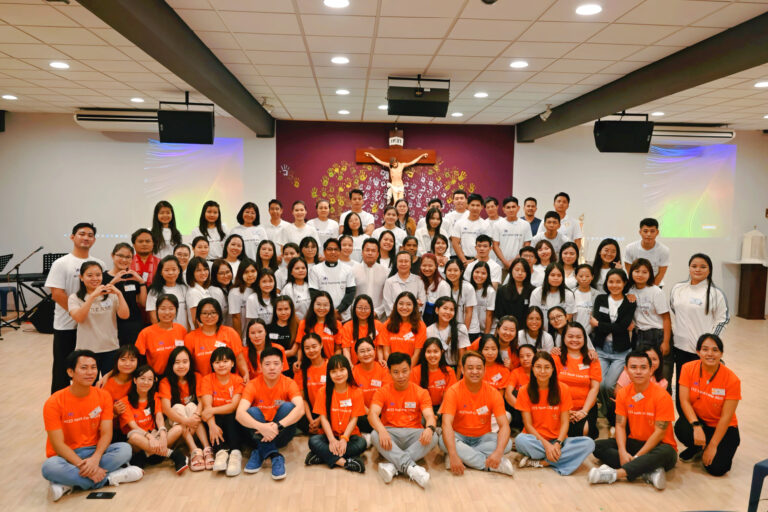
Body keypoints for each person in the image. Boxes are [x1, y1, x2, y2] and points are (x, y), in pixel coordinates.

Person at [42, 350, 143, 501]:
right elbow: (58, 444)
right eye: (84, 368)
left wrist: (95, 459)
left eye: (93, 367)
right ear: (70, 372)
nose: (90, 372)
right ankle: (108, 479)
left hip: (95, 451)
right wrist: (82, 465)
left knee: (125, 449)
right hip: (65, 456)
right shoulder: (54, 402)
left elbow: (106, 433)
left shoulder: (103, 395)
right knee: (49, 467)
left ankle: (69, 484)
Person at [590, 350, 677, 490]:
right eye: (633, 367)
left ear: (651, 370)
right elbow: (620, 425)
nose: (638, 372)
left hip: (660, 446)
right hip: (635, 442)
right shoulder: (623, 393)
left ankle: (615, 474)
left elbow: (659, 433)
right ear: (626, 370)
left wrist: (636, 457)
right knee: (597, 446)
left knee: (667, 451)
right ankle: (648, 472)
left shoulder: (662, 396)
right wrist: (623, 452)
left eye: (643, 367)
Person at [46, 222, 104, 393]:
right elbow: (57, 294)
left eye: (90, 235)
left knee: (90, 371)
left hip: (91, 328)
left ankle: (88, 405)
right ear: (72, 237)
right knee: (62, 371)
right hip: (66, 326)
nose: (86, 237)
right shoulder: (61, 263)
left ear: (94, 240)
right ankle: (59, 406)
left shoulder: (99, 263)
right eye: (82, 234)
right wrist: (77, 314)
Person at [514, 351, 595, 475]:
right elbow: (528, 425)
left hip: (558, 441)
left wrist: (558, 443)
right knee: (520, 440)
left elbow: (565, 422)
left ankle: (542, 462)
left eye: (547, 367)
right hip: (536, 440)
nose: (542, 371)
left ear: (553, 369)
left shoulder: (563, 389)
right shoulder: (524, 390)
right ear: (533, 369)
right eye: (538, 367)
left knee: (589, 443)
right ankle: (560, 458)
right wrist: (546, 446)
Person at [440, 350, 515, 476]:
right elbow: (446, 424)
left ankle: (463, 455)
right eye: (470, 368)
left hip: (483, 438)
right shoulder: (453, 391)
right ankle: (491, 466)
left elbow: (504, 426)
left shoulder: (493, 393)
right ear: (462, 370)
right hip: (458, 436)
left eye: (479, 368)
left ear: (484, 370)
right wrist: (453, 454)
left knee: (507, 444)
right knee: (442, 440)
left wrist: (498, 452)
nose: (475, 371)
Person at [369, 352, 438, 488]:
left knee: (434, 436)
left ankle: (393, 466)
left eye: (404, 371)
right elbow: (372, 414)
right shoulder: (382, 391)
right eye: (396, 372)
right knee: (374, 435)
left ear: (410, 370)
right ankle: (411, 467)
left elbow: (430, 416)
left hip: (413, 434)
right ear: (389, 372)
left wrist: (429, 429)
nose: (401, 376)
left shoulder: (421, 392)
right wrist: (381, 430)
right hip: (390, 434)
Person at [676, 334, 740, 476]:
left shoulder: (732, 380)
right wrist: (696, 426)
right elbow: (684, 401)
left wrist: (713, 445)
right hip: (700, 421)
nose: (710, 354)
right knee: (682, 428)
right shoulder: (688, 368)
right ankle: (697, 447)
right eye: (705, 349)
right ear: (698, 352)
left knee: (717, 469)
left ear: (721, 353)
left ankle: (706, 445)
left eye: (715, 350)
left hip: (722, 427)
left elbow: (726, 417)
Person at [236, 347, 304, 479]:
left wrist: (277, 426)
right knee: (252, 411)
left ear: (282, 366)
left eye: (276, 364)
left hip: (280, 433)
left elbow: (300, 409)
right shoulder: (253, 384)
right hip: (257, 434)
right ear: (261, 367)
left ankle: (260, 452)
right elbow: (239, 414)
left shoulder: (289, 383)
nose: (272, 368)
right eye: (267, 364)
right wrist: (262, 427)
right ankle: (274, 455)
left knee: (289, 406)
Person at [669, 253, 729, 399]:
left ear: (709, 270)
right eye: (694, 266)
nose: (698, 269)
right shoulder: (678, 288)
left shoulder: (716, 293)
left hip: (701, 351)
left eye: (703, 267)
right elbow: (673, 311)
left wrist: (709, 344)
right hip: (679, 347)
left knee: (699, 391)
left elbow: (722, 320)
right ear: (689, 268)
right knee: (682, 387)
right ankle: (682, 414)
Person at [119, 364, 188, 473]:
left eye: (150, 379)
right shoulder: (124, 401)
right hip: (139, 440)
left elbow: (159, 417)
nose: (146, 382)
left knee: (179, 428)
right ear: (135, 380)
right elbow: (133, 426)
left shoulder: (155, 396)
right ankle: (173, 454)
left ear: (154, 381)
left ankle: (146, 455)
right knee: (134, 437)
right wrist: (149, 437)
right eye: (142, 378)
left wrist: (163, 433)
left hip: (154, 436)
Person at [305, 354, 367, 473]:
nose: (338, 374)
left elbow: (354, 419)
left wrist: (344, 439)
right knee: (313, 441)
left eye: (342, 370)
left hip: (349, 436)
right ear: (329, 374)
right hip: (329, 435)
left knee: (362, 443)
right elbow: (323, 418)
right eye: (334, 371)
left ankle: (322, 456)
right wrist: (332, 440)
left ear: (348, 370)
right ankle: (345, 463)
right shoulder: (323, 391)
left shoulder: (356, 392)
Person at [68, 262, 130, 376]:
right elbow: (79, 318)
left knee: (110, 383)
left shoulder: (111, 295)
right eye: (89, 275)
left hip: (111, 347)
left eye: (98, 275)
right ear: (81, 277)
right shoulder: (74, 298)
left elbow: (125, 315)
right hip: (86, 350)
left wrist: (119, 294)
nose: (95, 278)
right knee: (88, 382)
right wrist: (92, 296)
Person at [591, 269, 636, 417]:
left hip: (621, 351)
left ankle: (612, 410)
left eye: (618, 282)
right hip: (601, 349)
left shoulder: (630, 302)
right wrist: (614, 326)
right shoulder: (600, 299)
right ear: (606, 283)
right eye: (611, 281)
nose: (614, 285)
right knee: (599, 383)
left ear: (624, 283)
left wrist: (600, 324)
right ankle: (606, 409)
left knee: (609, 385)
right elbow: (618, 326)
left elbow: (622, 327)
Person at [158, 347, 210, 471]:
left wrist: (195, 416)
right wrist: (186, 421)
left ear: (190, 363)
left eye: (185, 362)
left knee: (192, 406)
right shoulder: (165, 382)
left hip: (195, 425)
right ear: (171, 364)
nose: (181, 366)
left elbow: (202, 401)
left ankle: (207, 448)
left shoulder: (196, 376)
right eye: (177, 362)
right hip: (176, 427)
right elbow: (166, 409)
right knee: (177, 407)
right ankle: (194, 450)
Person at [200, 347, 245, 476]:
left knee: (232, 416)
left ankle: (235, 453)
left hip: (232, 419)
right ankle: (220, 453)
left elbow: (233, 406)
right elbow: (207, 405)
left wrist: (211, 411)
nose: (221, 365)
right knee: (216, 420)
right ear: (212, 365)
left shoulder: (238, 380)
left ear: (232, 363)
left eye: (225, 361)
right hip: (215, 420)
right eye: (217, 362)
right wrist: (211, 425)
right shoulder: (207, 379)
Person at [627, 258, 672, 385]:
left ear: (650, 274)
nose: (640, 275)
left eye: (644, 272)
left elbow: (666, 318)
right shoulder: (629, 290)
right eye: (637, 271)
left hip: (657, 334)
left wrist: (666, 342)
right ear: (631, 272)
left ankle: (665, 395)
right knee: (642, 371)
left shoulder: (656, 291)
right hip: (639, 334)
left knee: (662, 372)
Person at [553, 322, 601, 439]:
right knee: (556, 432)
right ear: (563, 338)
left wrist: (584, 411)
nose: (574, 340)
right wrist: (565, 410)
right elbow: (551, 386)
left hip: (585, 407)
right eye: (570, 336)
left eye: (579, 337)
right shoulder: (556, 357)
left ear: (584, 339)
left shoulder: (592, 358)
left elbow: (594, 388)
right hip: (560, 407)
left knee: (584, 432)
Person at [184, 298, 248, 377]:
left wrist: (246, 375)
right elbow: (188, 364)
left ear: (219, 313)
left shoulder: (230, 333)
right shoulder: (190, 338)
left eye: (213, 312)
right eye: (205, 313)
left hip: (230, 381)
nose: (209, 316)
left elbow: (240, 359)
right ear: (198, 315)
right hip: (203, 382)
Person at [103, 243, 146, 346]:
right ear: (112, 255)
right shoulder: (103, 277)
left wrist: (141, 282)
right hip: (110, 324)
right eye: (120, 256)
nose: (124, 260)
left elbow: (143, 303)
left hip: (133, 324)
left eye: (128, 257)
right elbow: (101, 298)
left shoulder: (134, 277)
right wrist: (114, 281)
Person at [135, 294, 188, 375]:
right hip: (156, 376)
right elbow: (139, 359)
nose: (167, 312)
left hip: (178, 375)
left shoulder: (181, 329)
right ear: (157, 310)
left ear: (176, 310)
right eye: (163, 309)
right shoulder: (146, 333)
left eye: (171, 309)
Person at [352, 337, 393, 435]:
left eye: (369, 350)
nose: (366, 354)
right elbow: (356, 400)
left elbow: (386, 395)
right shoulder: (353, 372)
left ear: (374, 351)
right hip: (364, 414)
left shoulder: (383, 369)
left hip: (381, 412)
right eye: (362, 351)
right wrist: (371, 414)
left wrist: (375, 413)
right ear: (357, 354)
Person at [309, 238, 356, 320]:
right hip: (323, 315)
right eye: (329, 249)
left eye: (336, 249)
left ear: (340, 251)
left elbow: (350, 293)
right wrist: (328, 311)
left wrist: (338, 310)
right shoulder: (315, 269)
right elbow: (314, 293)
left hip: (343, 316)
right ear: (324, 252)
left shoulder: (348, 269)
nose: (333, 252)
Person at [410, 338, 457, 414]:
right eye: (428, 352)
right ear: (424, 353)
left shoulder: (449, 372)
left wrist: (438, 414)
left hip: (443, 408)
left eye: (436, 351)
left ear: (441, 352)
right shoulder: (415, 371)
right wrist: (429, 415)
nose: (432, 355)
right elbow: (414, 397)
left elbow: (448, 398)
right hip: (422, 409)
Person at [380, 292, 427, 365]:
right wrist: (393, 368)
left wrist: (406, 369)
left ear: (414, 306)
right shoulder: (387, 324)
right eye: (401, 304)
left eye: (408, 304)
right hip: (392, 367)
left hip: (411, 367)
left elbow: (417, 354)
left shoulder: (421, 326)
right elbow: (386, 352)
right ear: (396, 305)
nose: (404, 307)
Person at [295, 333, 328, 434]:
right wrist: (311, 421)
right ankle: (314, 429)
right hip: (311, 412)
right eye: (307, 348)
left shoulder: (330, 365)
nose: (311, 350)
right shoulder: (301, 370)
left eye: (314, 346)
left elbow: (336, 397)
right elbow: (303, 399)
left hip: (329, 411)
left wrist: (320, 419)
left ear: (321, 345)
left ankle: (320, 431)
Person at [295, 291, 343, 359]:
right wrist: (299, 360)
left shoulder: (337, 324)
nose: (322, 308)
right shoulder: (304, 324)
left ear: (330, 306)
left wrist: (332, 363)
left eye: (325, 305)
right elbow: (300, 348)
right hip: (309, 362)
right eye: (318, 304)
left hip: (329, 363)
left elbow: (338, 349)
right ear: (313, 305)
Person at [426, 297, 470, 369]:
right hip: (436, 369)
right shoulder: (429, 330)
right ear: (437, 310)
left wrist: (457, 376)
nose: (448, 312)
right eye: (445, 308)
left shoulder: (460, 328)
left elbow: (461, 360)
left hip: (454, 368)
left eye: (451, 310)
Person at [624, 218, 670, 287]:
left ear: (657, 232)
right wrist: (638, 287)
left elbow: (661, 273)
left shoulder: (664, 250)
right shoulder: (630, 248)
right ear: (640, 232)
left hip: (655, 286)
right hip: (635, 286)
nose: (649, 234)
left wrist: (650, 288)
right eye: (645, 231)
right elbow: (629, 271)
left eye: (652, 231)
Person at [146, 256, 188, 329]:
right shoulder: (154, 291)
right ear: (161, 272)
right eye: (166, 270)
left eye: (174, 269)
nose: (170, 273)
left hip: (183, 331)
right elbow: (153, 318)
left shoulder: (184, 288)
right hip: (164, 332)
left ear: (179, 271)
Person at [492, 196, 532, 273]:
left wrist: (515, 261)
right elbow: (495, 245)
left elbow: (527, 245)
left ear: (518, 208)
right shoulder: (497, 225)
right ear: (503, 209)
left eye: (513, 207)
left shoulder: (525, 224)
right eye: (508, 207)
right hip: (501, 266)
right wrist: (505, 262)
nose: (511, 210)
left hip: (519, 265)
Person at [530, 263, 575, 330]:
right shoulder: (537, 293)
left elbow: (568, 316)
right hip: (541, 330)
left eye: (559, 275)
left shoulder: (568, 294)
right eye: (552, 275)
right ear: (547, 276)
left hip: (561, 330)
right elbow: (534, 314)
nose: (556, 278)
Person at [352, 238, 389, 319]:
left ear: (378, 254)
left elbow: (387, 297)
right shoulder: (353, 270)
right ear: (362, 252)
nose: (370, 253)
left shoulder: (385, 271)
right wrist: (359, 310)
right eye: (367, 250)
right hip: (357, 315)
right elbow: (351, 295)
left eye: (373, 251)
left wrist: (377, 312)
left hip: (378, 317)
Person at [341, 295, 383, 364]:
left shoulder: (378, 325)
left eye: (366, 308)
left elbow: (379, 348)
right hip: (354, 366)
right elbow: (346, 349)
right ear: (354, 308)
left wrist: (380, 360)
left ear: (371, 309)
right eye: (360, 308)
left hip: (373, 365)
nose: (363, 311)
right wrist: (349, 364)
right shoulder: (347, 326)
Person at [383, 250, 426, 315]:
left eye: (406, 261)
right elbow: (388, 304)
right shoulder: (389, 282)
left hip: (414, 317)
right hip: (395, 318)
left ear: (411, 263)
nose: (403, 264)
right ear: (396, 264)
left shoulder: (419, 280)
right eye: (400, 261)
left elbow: (422, 302)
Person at [451, 193, 490, 265]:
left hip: (480, 261)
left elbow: (487, 245)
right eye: (472, 205)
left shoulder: (486, 225)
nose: (475, 208)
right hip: (463, 260)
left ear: (482, 207)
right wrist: (464, 260)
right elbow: (455, 243)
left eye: (477, 205)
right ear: (467, 206)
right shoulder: (459, 223)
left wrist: (474, 260)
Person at [494, 257, 533, 327]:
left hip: (527, 328)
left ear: (527, 273)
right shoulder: (502, 290)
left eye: (523, 271)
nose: (520, 273)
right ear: (511, 270)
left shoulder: (533, 291)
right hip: (507, 328)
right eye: (517, 270)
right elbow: (499, 313)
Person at [504, 344, 535, 430]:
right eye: (521, 356)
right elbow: (508, 394)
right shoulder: (516, 372)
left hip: (537, 408)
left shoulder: (540, 371)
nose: (525, 359)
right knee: (516, 393)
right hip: (520, 410)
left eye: (528, 356)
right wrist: (524, 409)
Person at [419, 253, 451, 326]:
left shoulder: (443, 285)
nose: (427, 268)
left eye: (430, 266)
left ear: (436, 266)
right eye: (424, 265)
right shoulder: (418, 282)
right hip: (421, 321)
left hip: (437, 323)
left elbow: (446, 309)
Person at [229, 259, 257, 339]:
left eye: (253, 271)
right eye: (246, 272)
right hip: (243, 335)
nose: (250, 275)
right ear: (241, 274)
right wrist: (239, 339)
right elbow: (236, 318)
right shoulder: (235, 292)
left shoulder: (259, 289)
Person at [445, 259, 475, 332]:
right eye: (449, 270)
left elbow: (468, 312)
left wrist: (464, 332)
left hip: (469, 329)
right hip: (452, 327)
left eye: (455, 270)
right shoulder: (445, 286)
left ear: (461, 272)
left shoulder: (468, 287)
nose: (452, 273)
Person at [573, 263, 598, 338]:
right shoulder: (570, 294)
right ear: (575, 276)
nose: (584, 279)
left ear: (592, 277)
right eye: (581, 276)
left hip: (591, 335)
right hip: (573, 333)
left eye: (587, 276)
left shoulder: (598, 295)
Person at [209, 259, 233, 326]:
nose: (225, 276)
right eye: (221, 273)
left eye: (227, 272)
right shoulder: (215, 291)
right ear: (215, 275)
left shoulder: (228, 288)